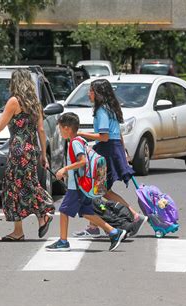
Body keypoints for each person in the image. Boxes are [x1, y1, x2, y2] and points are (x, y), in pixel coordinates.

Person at [0, 69, 54, 241]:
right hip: (31, 149)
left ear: (15, 83)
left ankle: (43, 211)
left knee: (13, 187)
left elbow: (0, 126)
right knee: (26, 185)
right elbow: (40, 129)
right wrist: (43, 154)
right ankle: (33, 221)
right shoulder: (35, 103)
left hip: (18, 150)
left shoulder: (14, 101)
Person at [74, 79, 148, 238]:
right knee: (100, 191)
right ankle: (94, 225)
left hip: (107, 151)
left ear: (99, 93)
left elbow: (104, 136)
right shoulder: (110, 108)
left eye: (91, 91)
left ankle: (133, 216)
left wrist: (80, 134)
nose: (89, 94)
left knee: (99, 190)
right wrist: (123, 151)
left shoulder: (102, 110)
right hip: (112, 149)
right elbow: (118, 134)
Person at [46, 112, 127, 252]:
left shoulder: (75, 142)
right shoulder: (81, 140)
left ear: (67, 128)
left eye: (60, 128)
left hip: (77, 186)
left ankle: (63, 241)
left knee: (64, 211)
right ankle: (113, 232)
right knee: (86, 212)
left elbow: (82, 161)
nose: (60, 131)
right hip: (82, 184)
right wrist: (67, 172)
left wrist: (65, 168)